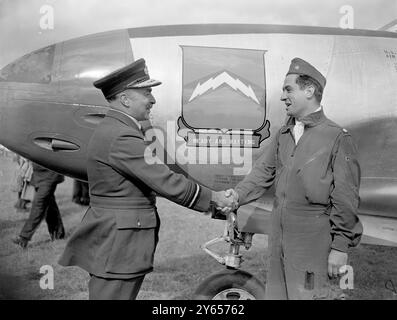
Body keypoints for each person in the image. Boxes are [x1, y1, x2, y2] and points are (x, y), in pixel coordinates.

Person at [58, 58, 235, 300]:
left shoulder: (118, 128)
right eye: (147, 93)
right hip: (119, 241)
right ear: (126, 99)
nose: (152, 100)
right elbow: (163, 180)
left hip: (116, 238)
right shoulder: (121, 135)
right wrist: (213, 197)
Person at [225, 58, 363, 300]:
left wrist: (340, 246)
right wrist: (237, 195)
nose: (282, 96)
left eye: (289, 89)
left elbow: (346, 197)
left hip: (312, 242)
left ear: (309, 91)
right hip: (279, 239)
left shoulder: (338, 138)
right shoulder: (284, 134)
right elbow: (262, 173)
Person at [13, 162, 65, 248]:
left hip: (50, 176)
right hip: (39, 176)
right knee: (50, 205)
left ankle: (23, 238)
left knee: (38, 205)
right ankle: (58, 233)